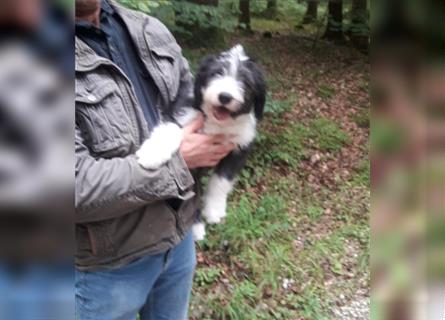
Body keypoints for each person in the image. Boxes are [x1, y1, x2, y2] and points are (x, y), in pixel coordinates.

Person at [74, 1, 235, 319]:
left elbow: (193, 98)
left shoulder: (147, 28)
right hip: (106, 268)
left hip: (178, 244)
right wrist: (179, 162)